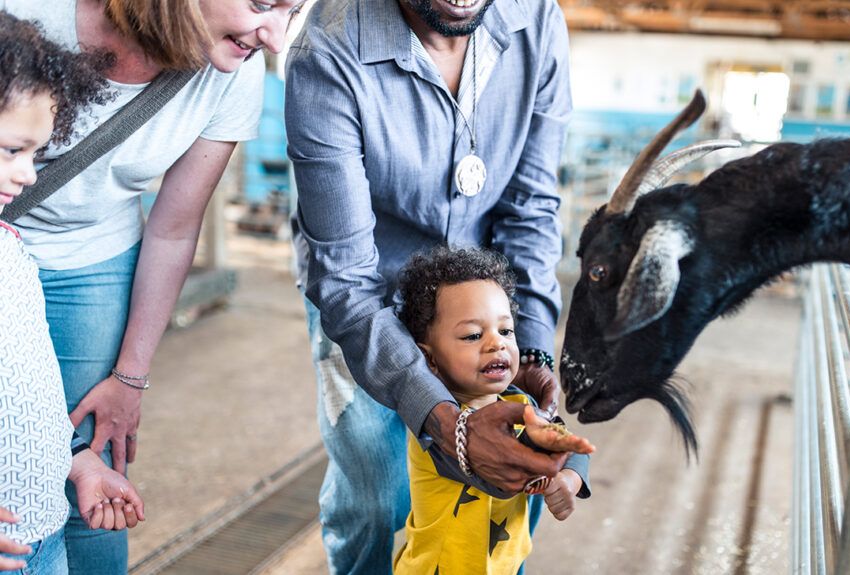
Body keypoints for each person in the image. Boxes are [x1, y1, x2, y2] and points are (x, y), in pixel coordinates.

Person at [0, 0, 304, 572]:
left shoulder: (230, 74)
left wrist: (128, 377)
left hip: (89, 254)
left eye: (294, 10)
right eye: (263, 4)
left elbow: (173, 226)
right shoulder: (26, 12)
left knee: (86, 467)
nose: (277, 38)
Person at [286, 0, 572, 571]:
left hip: (485, 304)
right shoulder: (328, 49)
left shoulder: (536, 19)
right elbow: (346, 278)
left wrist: (533, 348)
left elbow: (531, 210)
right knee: (376, 494)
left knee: (516, 468)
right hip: (369, 294)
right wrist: (448, 425)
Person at [0, 12, 146, 574]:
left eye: (36, 154)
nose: (29, 175)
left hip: (45, 541)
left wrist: (77, 460)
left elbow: (26, 396)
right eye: (13, 150)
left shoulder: (12, 250)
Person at [393, 247, 593, 574]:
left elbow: (570, 444)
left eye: (506, 330)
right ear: (429, 358)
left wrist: (569, 479)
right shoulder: (435, 427)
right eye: (473, 335)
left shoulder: (520, 404)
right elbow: (497, 476)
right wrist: (545, 458)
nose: (496, 343)